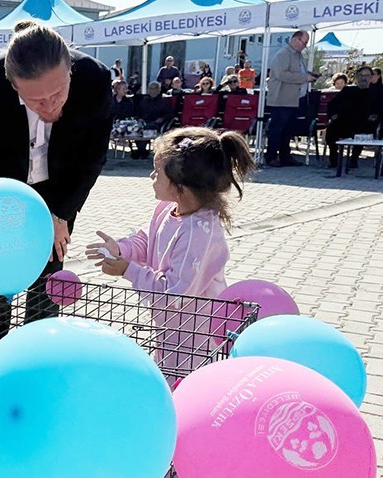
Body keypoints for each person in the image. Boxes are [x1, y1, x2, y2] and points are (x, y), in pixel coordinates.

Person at [0, 21, 112, 362]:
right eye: (35, 101)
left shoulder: (95, 79)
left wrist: (60, 214)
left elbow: (92, 157)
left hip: (57, 194)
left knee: (47, 289)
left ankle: (37, 366)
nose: (50, 106)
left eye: (57, 94)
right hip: (0, 195)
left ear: (70, 69)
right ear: (13, 86)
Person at [86, 127, 256, 368]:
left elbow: (174, 294)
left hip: (196, 337)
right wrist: (121, 249)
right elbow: (148, 240)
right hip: (170, 329)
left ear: (181, 187)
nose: (151, 177)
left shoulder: (198, 232)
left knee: (183, 389)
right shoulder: (168, 209)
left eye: (157, 173)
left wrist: (128, 270)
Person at [265, 30, 317, 168]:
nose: (305, 46)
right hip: (281, 99)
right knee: (277, 129)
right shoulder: (283, 54)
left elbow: (296, 72)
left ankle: (285, 157)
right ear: (295, 39)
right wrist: (304, 78)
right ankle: (270, 157)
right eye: (304, 42)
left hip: (293, 99)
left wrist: (309, 74)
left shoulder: (298, 56)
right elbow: (281, 74)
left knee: (288, 130)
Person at [325, 66, 382, 169]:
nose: (363, 78)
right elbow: (332, 105)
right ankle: (333, 159)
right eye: (361, 75)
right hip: (345, 122)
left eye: (367, 75)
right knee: (332, 128)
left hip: (365, 122)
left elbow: (380, 109)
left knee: (365, 128)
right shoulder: (348, 90)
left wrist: (376, 115)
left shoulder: (376, 93)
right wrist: (333, 115)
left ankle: (354, 159)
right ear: (357, 76)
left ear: (371, 77)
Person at [133, 81, 174, 159]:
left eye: (155, 88)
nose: (153, 90)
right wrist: (139, 119)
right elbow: (136, 113)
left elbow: (169, 114)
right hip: (143, 121)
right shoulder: (143, 100)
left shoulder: (163, 102)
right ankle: (141, 149)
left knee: (147, 127)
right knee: (137, 127)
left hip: (156, 123)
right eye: (151, 88)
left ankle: (142, 150)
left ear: (159, 90)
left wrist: (162, 118)